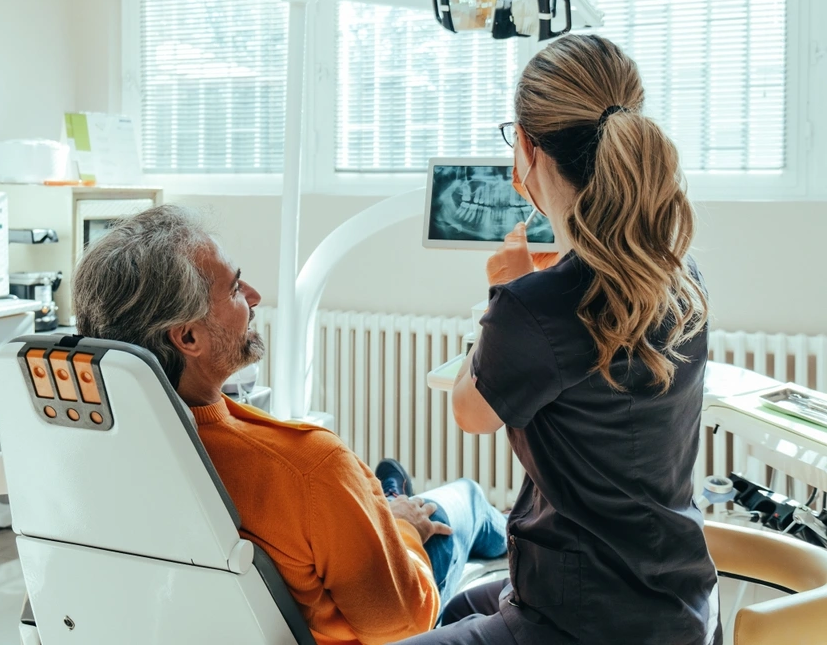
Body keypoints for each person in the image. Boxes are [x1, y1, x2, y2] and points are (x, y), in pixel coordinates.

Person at [397, 34, 719, 645]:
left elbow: (470, 412)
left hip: (580, 620)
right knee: (462, 603)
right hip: (677, 605)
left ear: (527, 147)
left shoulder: (532, 306)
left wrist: (504, 293)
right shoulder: (679, 274)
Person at [71, 206, 509, 645]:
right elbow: (400, 626)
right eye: (235, 288)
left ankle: (382, 496)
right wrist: (406, 529)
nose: (256, 296)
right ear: (188, 339)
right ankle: (467, 524)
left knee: (384, 491)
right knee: (462, 502)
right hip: (365, 622)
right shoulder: (310, 465)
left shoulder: (90, 456)